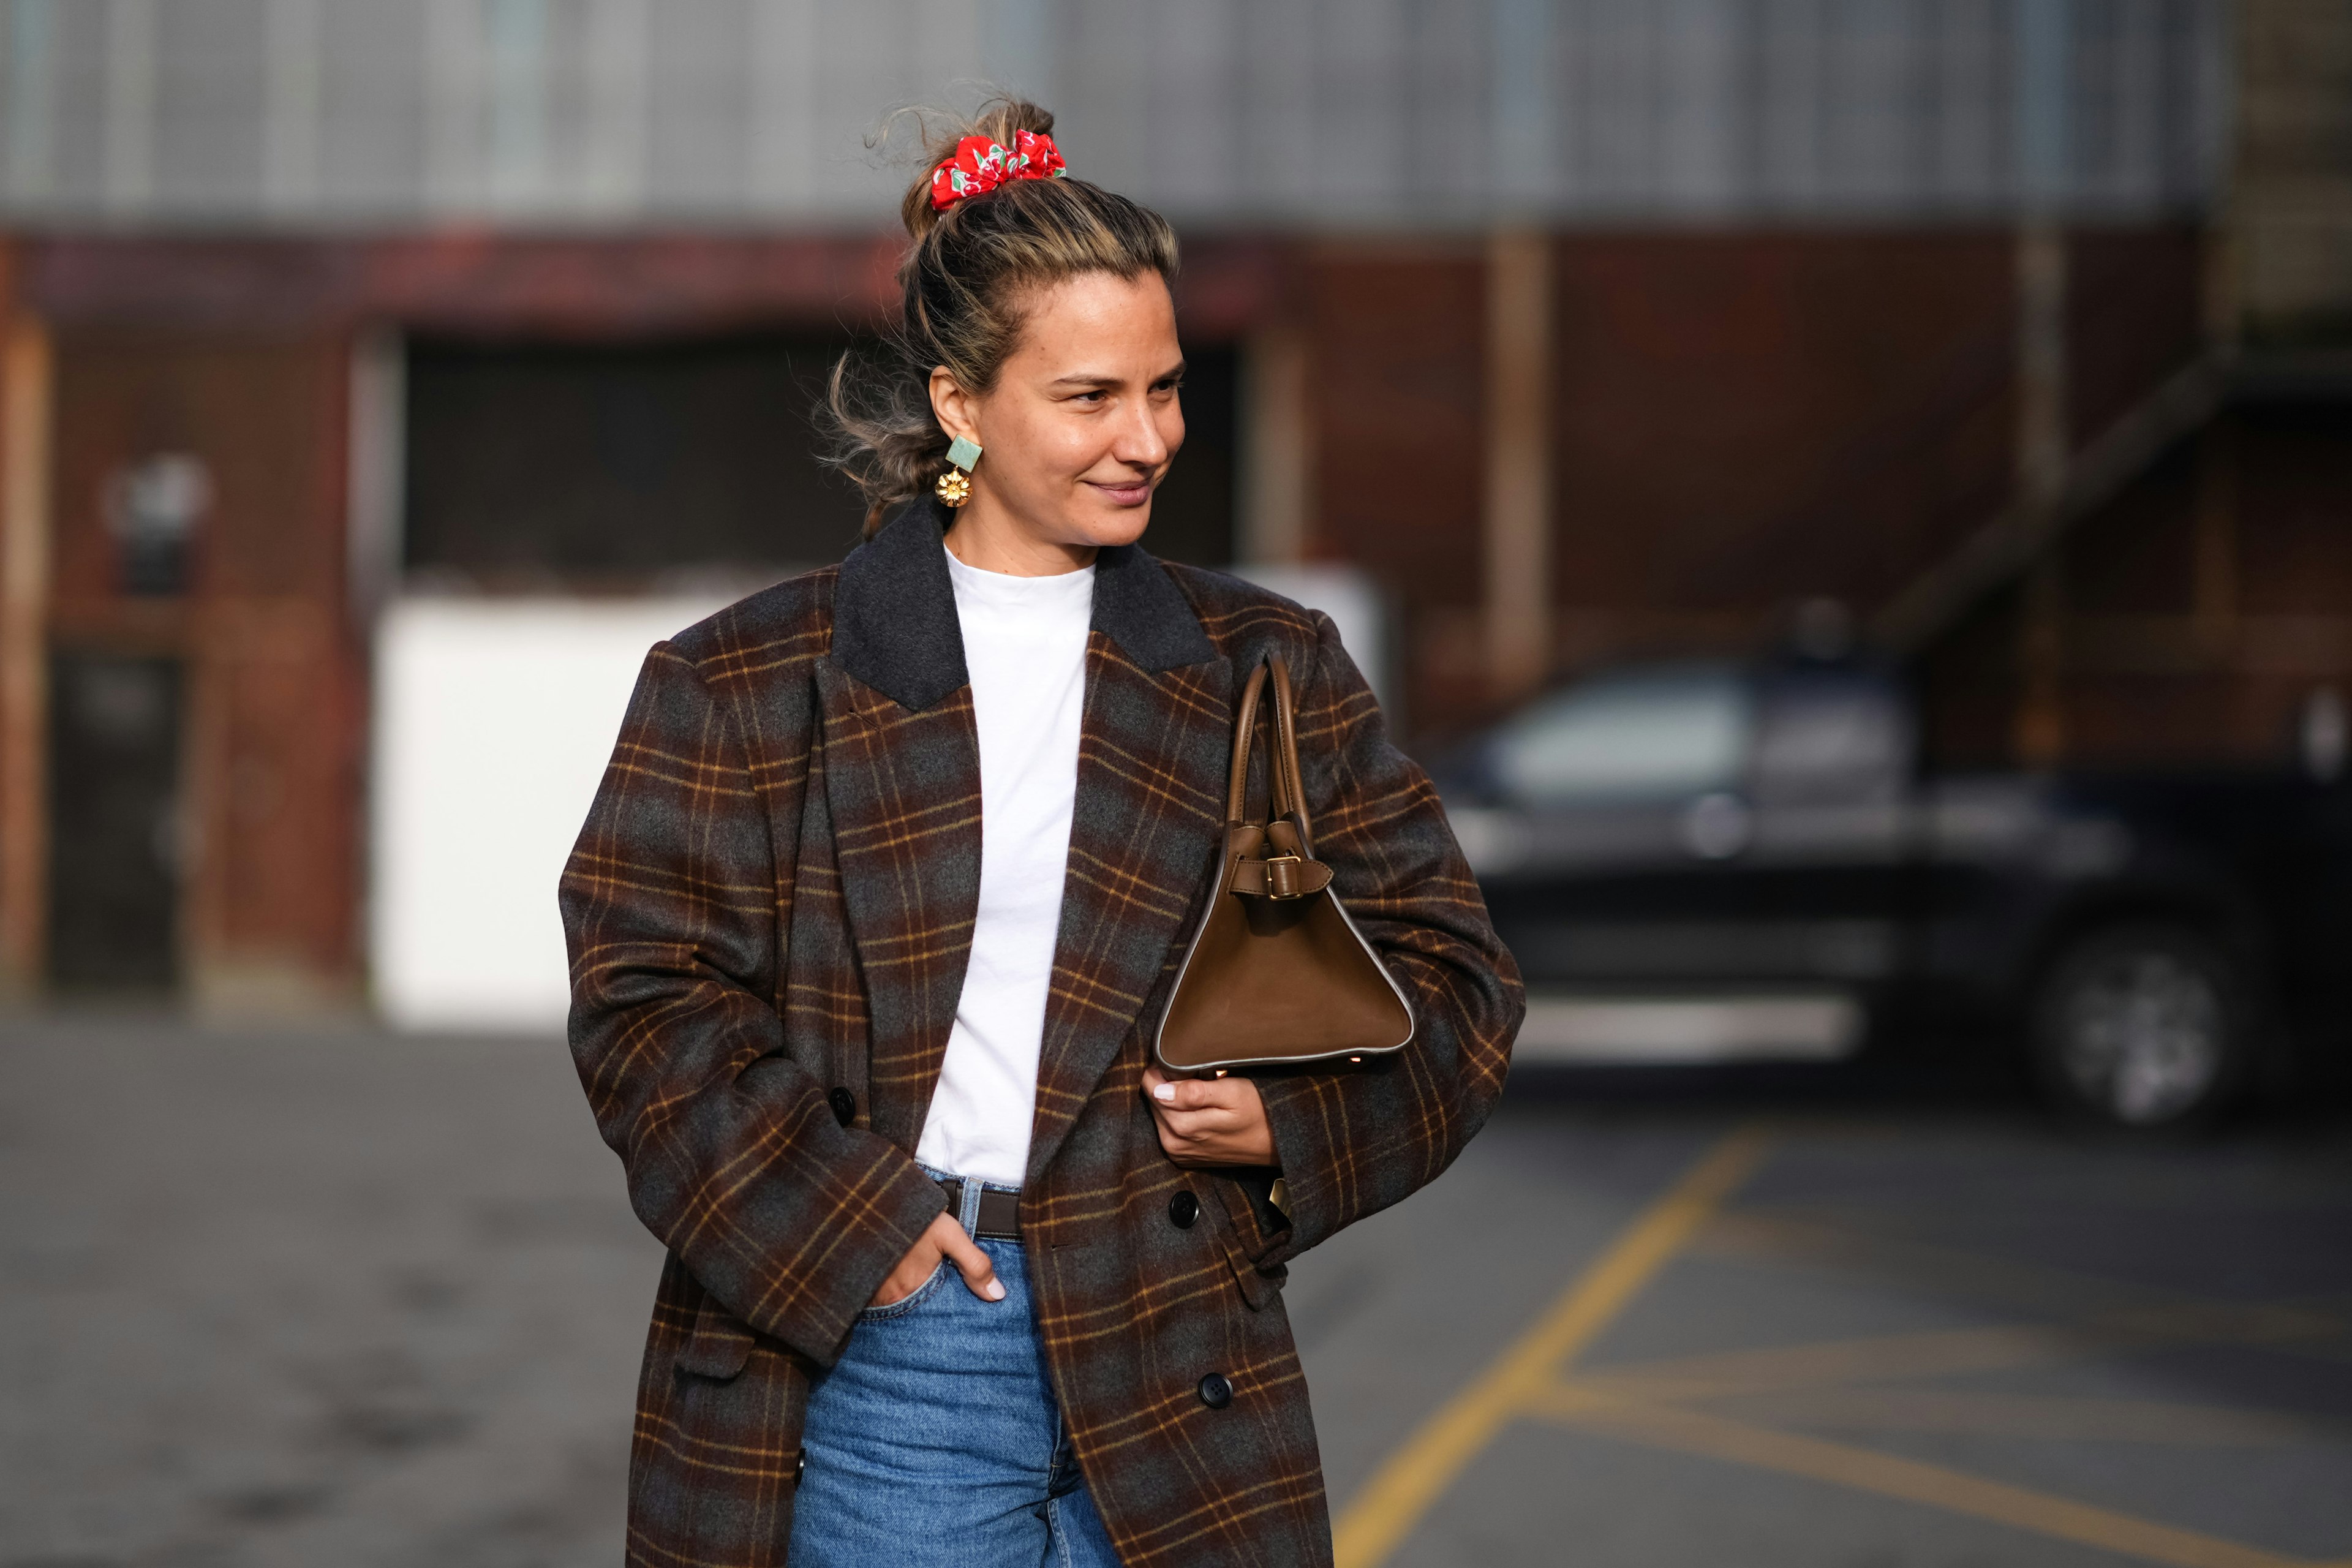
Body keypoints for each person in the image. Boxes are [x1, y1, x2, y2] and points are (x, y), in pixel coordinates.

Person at [561, 97, 1523, 1568]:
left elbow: (1461, 980)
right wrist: (854, 1228)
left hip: (1184, 1341)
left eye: (1168, 388)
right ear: (960, 403)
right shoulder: (746, 679)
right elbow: (646, 1002)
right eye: (1090, 398)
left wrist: (1301, 1125)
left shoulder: (1270, 661)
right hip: (897, 1347)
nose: (1148, 439)